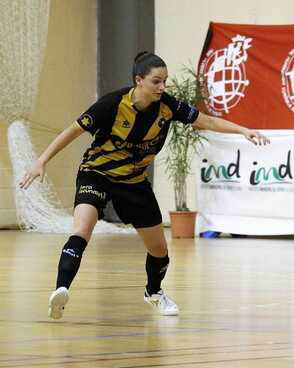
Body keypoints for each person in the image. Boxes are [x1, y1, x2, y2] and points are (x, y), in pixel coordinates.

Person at [19, 51, 270, 319]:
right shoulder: (112, 104)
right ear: (139, 80)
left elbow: (205, 121)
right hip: (97, 173)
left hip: (134, 182)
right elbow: (72, 131)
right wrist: (41, 161)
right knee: (82, 229)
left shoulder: (168, 106)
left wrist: (243, 130)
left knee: (159, 250)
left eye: (165, 81)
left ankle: (154, 292)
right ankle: (61, 290)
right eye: (156, 81)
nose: (162, 87)